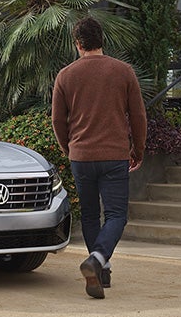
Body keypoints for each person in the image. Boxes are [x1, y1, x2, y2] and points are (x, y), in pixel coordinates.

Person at [51, 17, 147, 299]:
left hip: (81, 156)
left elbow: (57, 120)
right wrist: (138, 149)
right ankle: (97, 260)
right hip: (114, 154)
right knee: (116, 215)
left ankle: (101, 271)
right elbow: (138, 116)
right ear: (102, 40)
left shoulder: (65, 75)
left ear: (78, 44)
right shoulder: (123, 71)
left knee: (90, 214)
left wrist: (69, 148)